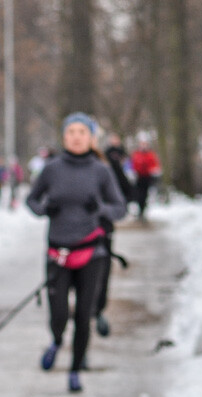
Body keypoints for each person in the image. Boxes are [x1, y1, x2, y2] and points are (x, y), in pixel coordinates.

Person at [25, 112, 126, 392]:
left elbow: (120, 208)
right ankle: (57, 340)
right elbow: (31, 200)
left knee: (84, 315)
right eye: (71, 132)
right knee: (58, 314)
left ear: (91, 137)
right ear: (64, 137)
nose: (76, 137)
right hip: (58, 254)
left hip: (91, 254)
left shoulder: (101, 171)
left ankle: (75, 370)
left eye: (82, 132)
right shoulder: (52, 169)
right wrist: (45, 209)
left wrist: (101, 210)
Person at [93, 133, 134, 339]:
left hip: (103, 231)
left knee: (102, 271)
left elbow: (124, 197)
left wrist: (104, 209)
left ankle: (97, 310)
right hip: (72, 236)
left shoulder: (108, 168)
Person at [130, 138, 160, 220]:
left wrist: (152, 170)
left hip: (147, 177)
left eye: (145, 144)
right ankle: (139, 209)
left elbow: (154, 165)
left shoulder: (150, 154)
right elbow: (133, 164)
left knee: (144, 194)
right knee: (138, 194)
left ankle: (142, 210)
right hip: (138, 177)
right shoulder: (136, 154)